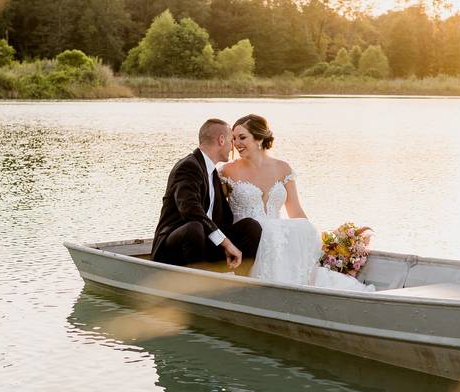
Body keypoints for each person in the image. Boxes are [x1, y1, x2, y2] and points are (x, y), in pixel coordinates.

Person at [219, 114, 374, 292]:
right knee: (272, 234)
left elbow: (296, 212)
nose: (236, 143)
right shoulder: (227, 171)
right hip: (247, 239)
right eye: (234, 138)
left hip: (276, 237)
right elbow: (217, 212)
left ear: (259, 138)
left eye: (242, 137)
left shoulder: (283, 168)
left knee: (301, 229)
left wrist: (315, 239)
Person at [152, 118, 262, 269]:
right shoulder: (188, 167)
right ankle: (199, 285)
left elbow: (224, 218)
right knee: (194, 227)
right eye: (231, 141)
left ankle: (239, 284)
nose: (233, 148)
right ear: (221, 140)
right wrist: (227, 243)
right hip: (175, 248)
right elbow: (190, 210)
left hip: (204, 246)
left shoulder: (213, 173)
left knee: (251, 226)